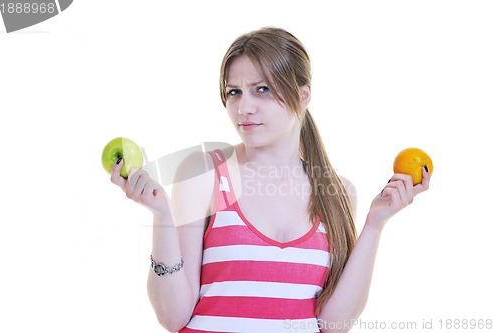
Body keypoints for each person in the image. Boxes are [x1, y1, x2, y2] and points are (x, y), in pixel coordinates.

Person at [110, 27, 431, 333]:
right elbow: (173, 316)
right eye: (234, 92)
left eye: (261, 89)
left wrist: (375, 224)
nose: (243, 108)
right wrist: (162, 215)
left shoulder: (338, 192)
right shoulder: (204, 172)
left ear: (303, 94)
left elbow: (333, 324)